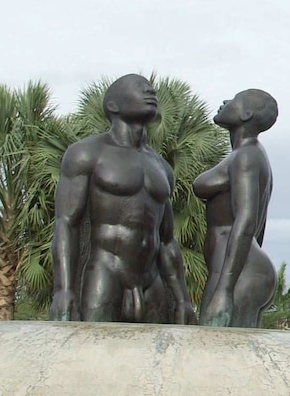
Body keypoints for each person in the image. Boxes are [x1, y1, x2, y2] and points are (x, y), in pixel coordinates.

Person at [50, 74, 198, 324]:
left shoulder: (161, 167)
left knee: (155, 358)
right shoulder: (87, 153)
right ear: (113, 105)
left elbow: (167, 240)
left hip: (152, 281)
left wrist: (183, 299)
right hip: (106, 273)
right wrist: (63, 290)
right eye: (139, 87)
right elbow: (66, 223)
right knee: (94, 355)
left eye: (150, 88)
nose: (150, 91)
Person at [193, 89, 278, 327]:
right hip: (239, 271)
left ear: (246, 114)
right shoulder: (249, 155)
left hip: (238, 275)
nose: (225, 102)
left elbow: (248, 220)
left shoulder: (247, 157)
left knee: (219, 354)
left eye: (233, 100)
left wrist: (225, 289)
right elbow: (257, 227)